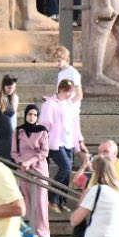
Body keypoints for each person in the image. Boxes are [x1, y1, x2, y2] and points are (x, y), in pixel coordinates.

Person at [40, 78, 85, 208]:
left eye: (71, 92)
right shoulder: (50, 104)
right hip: (55, 143)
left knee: (68, 170)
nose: (70, 95)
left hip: (68, 142)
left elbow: (74, 125)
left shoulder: (69, 104)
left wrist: (78, 143)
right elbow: (44, 124)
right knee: (65, 168)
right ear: (61, 89)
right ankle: (52, 198)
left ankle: (61, 201)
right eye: (68, 92)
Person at [11, 105, 51, 237]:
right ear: (25, 115)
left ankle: (44, 231)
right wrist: (22, 162)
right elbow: (14, 152)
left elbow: (44, 152)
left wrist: (29, 162)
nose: (32, 117)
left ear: (37, 117)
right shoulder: (18, 131)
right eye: (29, 114)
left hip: (39, 168)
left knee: (40, 200)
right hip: (24, 170)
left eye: (34, 115)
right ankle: (33, 230)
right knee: (28, 200)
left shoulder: (42, 131)